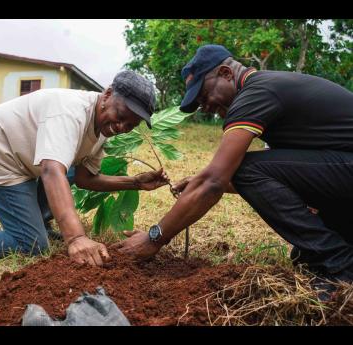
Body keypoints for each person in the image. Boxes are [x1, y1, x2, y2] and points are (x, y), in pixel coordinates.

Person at [113, 44, 353, 293]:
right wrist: (198, 182)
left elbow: (216, 181)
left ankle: (341, 267)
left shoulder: (256, 93)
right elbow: (284, 171)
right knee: (304, 258)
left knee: (243, 169)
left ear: (226, 73)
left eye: (204, 96)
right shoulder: (270, 87)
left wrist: (155, 237)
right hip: (343, 170)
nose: (205, 107)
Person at [0, 70, 169, 270]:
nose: (121, 127)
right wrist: (76, 238)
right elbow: (52, 171)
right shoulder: (71, 111)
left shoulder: (102, 130)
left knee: (70, 172)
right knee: (31, 246)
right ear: (107, 95)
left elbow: (85, 178)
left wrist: (134, 182)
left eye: (130, 125)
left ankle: (37, 219)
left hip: (27, 157)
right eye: (121, 117)